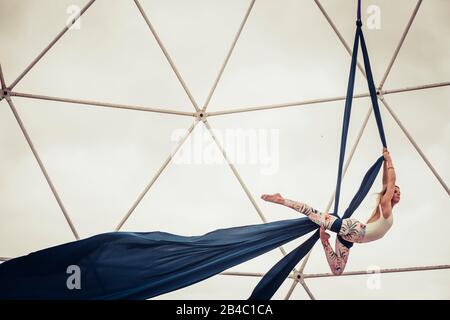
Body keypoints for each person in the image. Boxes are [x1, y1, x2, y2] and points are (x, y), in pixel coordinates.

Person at [261, 148, 400, 275]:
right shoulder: (384, 205)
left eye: (399, 192)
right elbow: (390, 182)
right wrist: (388, 159)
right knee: (313, 214)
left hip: (349, 237)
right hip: (354, 230)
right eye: (395, 191)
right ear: (388, 194)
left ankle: (324, 240)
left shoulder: (386, 208)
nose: (397, 193)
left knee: (337, 269)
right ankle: (281, 200)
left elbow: (386, 184)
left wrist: (384, 162)